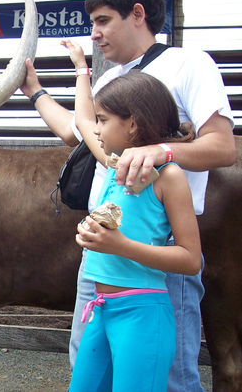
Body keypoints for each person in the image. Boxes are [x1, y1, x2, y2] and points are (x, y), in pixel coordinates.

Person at [20, 0, 235, 391]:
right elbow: (75, 131)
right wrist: (35, 92)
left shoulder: (190, 63)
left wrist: (162, 151)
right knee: (90, 365)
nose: (95, 33)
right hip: (100, 259)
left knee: (169, 376)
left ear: (137, 14)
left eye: (102, 21)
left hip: (160, 249)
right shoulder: (108, 80)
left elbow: (223, 148)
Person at [69, 66, 202, 391]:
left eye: (103, 120)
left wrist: (118, 245)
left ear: (132, 123)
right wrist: (79, 71)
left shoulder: (169, 176)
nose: (96, 130)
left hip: (142, 315)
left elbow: (191, 259)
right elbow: (82, 121)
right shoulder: (114, 169)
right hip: (100, 310)